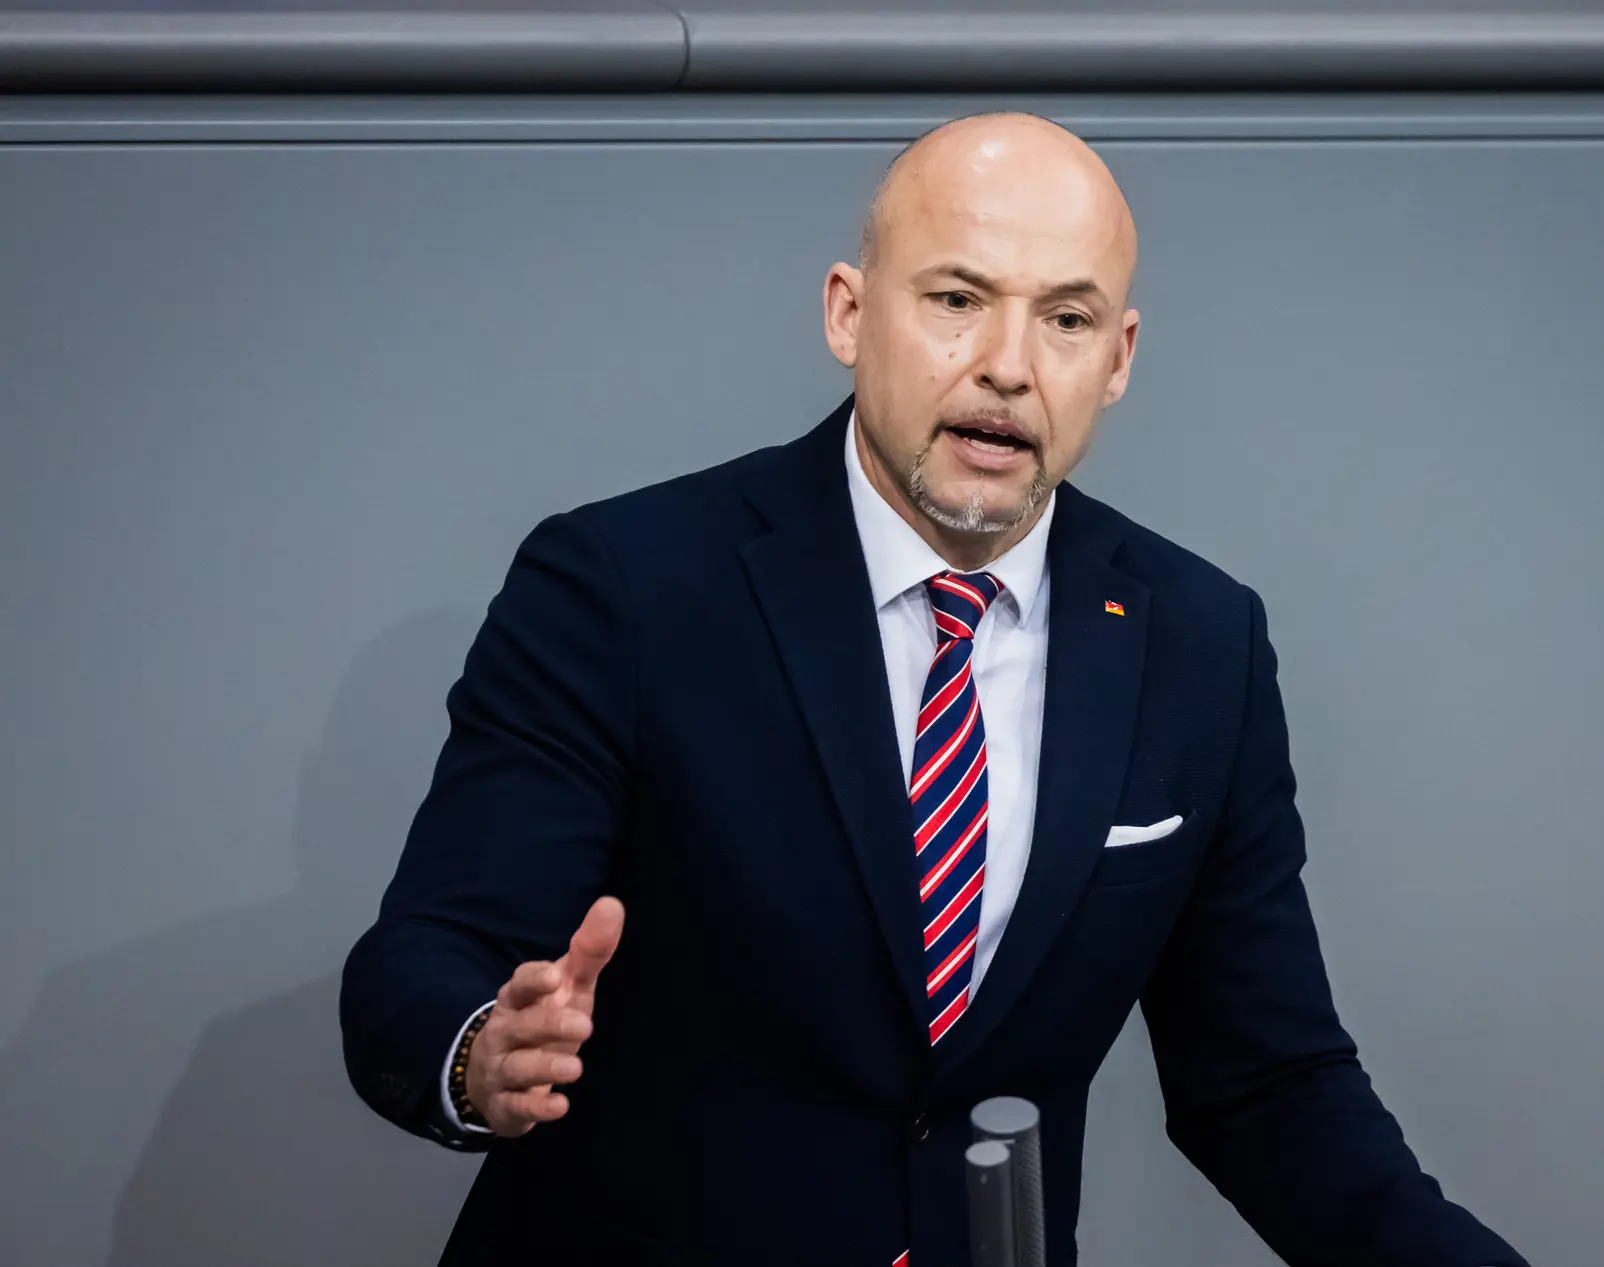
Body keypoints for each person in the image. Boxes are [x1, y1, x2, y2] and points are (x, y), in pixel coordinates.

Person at [340, 111, 1529, 1267]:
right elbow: (431, 952)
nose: (1007, 367)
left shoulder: (1198, 640)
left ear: (1115, 359)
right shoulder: (626, 586)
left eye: (1064, 318)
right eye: (957, 300)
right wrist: (478, 1054)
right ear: (849, 315)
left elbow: (1265, 1079)